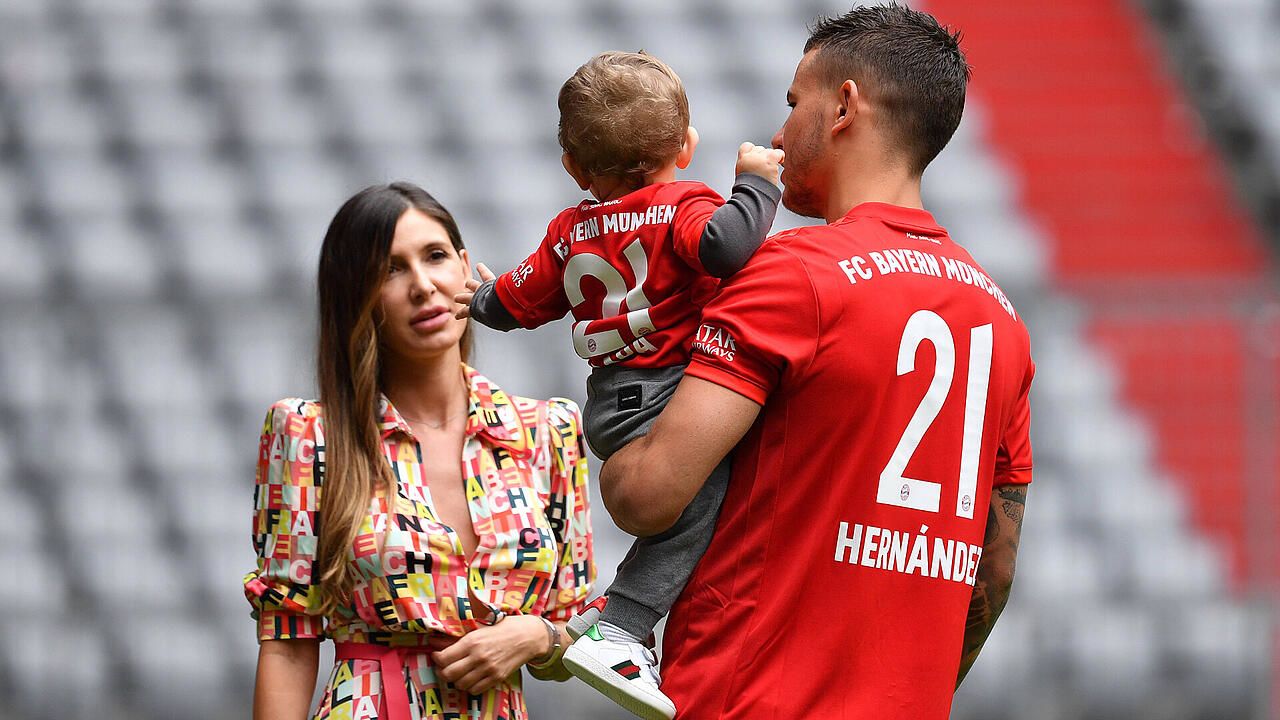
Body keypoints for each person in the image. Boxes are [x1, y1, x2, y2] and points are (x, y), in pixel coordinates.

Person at [599, 5, 1034, 719]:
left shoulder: (790, 274)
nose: (778, 133)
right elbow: (997, 567)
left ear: (844, 106)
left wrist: (615, 430)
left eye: (794, 102)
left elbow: (647, 496)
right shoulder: (1002, 319)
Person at [456, 51, 783, 720]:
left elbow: (513, 305)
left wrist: (479, 296)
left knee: (699, 506)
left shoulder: (570, 233)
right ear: (686, 147)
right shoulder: (680, 205)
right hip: (668, 394)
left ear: (573, 168)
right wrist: (755, 184)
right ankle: (622, 626)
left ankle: (618, 624)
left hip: (609, 402)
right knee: (700, 502)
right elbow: (724, 246)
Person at [244, 182, 595, 720]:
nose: (423, 286)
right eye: (390, 270)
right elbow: (289, 642)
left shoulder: (548, 431)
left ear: (464, 265)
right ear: (355, 297)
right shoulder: (309, 434)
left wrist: (536, 635)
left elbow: (576, 631)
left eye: (434, 257)